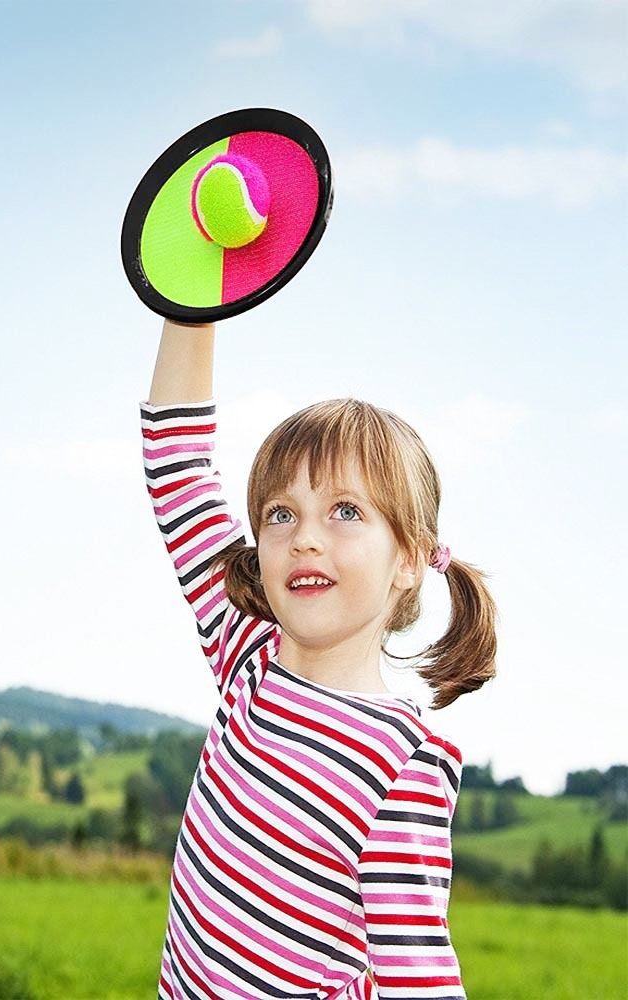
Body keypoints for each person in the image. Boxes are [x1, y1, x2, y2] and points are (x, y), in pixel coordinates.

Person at [141, 317, 497, 999]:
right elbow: (177, 462)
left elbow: (416, 979)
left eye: (344, 512)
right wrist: (191, 296)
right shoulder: (247, 652)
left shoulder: (400, 764)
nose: (305, 537)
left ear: (411, 560)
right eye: (281, 513)